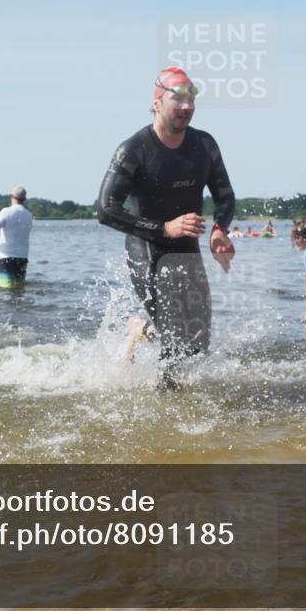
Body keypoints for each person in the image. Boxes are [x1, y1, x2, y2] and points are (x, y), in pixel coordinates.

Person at [97, 66, 236, 389]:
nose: (187, 107)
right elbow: (105, 209)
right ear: (157, 102)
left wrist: (219, 230)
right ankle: (169, 406)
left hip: (186, 246)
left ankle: (141, 331)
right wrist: (163, 228)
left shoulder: (204, 145)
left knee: (198, 340)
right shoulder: (134, 149)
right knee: (175, 334)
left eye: (192, 100)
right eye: (178, 99)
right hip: (146, 245)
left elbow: (226, 197)